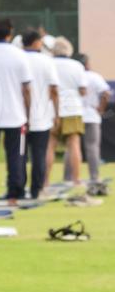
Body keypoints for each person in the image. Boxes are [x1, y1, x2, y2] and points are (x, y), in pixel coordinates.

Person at [0, 19, 32, 205]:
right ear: (10, 32)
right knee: (15, 157)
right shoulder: (19, 55)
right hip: (15, 115)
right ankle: (13, 195)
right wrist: (28, 113)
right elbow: (26, 88)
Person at [21, 29, 60, 199]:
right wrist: (57, 113)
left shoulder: (18, 58)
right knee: (39, 154)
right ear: (37, 42)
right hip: (42, 116)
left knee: (20, 155)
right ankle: (36, 190)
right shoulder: (46, 61)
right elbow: (54, 90)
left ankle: (18, 189)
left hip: (20, 116)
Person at [51, 37, 88, 187]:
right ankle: (76, 179)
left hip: (52, 110)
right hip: (73, 109)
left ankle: (45, 181)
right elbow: (83, 89)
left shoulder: (49, 63)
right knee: (74, 145)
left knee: (50, 145)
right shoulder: (77, 66)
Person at [80, 54, 111, 190]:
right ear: (87, 63)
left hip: (74, 114)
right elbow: (106, 93)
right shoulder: (93, 76)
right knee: (92, 147)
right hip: (92, 115)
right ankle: (94, 176)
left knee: (72, 146)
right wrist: (101, 108)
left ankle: (70, 177)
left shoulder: (75, 75)